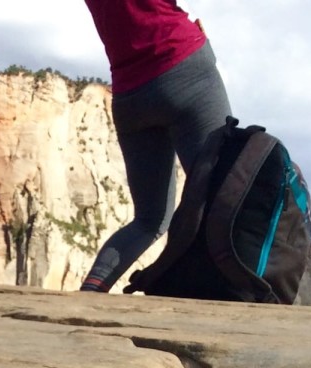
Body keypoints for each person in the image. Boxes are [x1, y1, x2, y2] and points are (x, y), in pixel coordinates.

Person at [79, 0, 231, 293]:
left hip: (130, 95)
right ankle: (225, 296)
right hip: (185, 65)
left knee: (149, 219)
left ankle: (91, 292)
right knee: (223, 197)